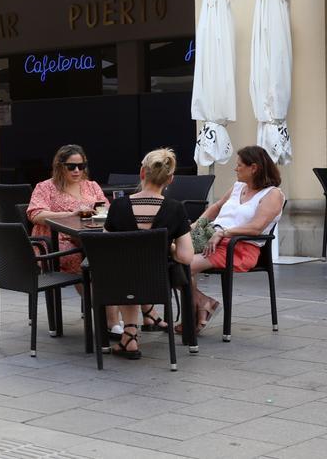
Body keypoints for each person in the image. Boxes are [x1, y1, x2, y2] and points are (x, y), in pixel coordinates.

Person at [102, 148, 195, 359]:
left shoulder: (118, 206)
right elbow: (186, 257)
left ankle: (130, 335)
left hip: (119, 280)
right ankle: (132, 334)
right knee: (138, 270)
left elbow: (106, 246)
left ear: (142, 173)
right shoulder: (175, 209)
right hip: (159, 280)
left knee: (128, 268)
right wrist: (167, 247)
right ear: (170, 179)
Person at [187, 146, 285, 334]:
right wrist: (196, 226)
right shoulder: (238, 186)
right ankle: (202, 304)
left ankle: (199, 310)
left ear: (254, 168)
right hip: (213, 240)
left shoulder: (272, 194)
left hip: (239, 247)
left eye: (239, 165)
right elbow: (216, 207)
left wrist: (224, 232)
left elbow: (256, 227)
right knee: (169, 258)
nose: (235, 168)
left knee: (182, 265)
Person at [27, 144, 106, 278]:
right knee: (82, 258)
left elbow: (105, 210)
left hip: (90, 237)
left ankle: (104, 297)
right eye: (71, 167)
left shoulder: (92, 186)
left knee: (113, 254)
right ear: (60, 166)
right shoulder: (46, 187)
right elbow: (35, 214)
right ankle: (94, 297)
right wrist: (70, 214)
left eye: (81, 166)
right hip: (57, 241)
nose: (77, 170)